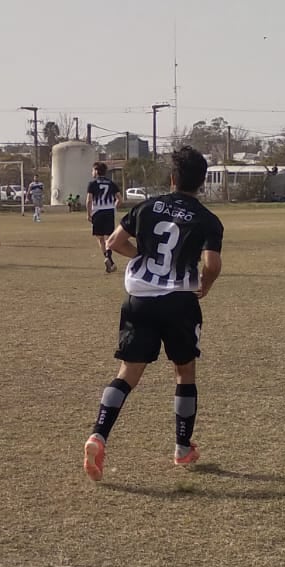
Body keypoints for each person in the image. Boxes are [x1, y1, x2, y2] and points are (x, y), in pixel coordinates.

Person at [82, 146, 223, 481]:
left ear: (172, 178)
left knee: (127, 373)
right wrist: (206, 284)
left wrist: (140, 254)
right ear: (201, 183)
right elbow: (212, 264)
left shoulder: (147, 206)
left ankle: (98, 435)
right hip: (179, 302)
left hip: (139, 299)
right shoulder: (207, 219)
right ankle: (182, 447)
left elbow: (113, 243)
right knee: (184, 372)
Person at [87, 162, 121, 273]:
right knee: (109, 237)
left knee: (100, 238)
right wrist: (113, 207)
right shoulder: (111, 183)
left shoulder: (92, 184)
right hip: (109, 212)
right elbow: (120, 199)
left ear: (96, 171)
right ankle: (109, 258)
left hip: (97, 212)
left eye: (93, 170)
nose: (92, 172)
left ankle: (108, 259)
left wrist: (89, 214)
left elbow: (89, 200)